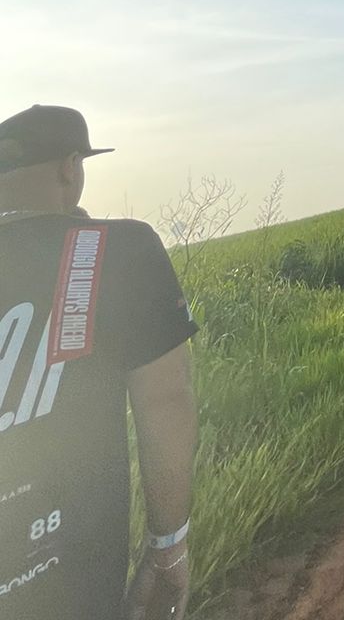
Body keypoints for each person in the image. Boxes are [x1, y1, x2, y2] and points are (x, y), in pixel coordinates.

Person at [0, 105, 198, 620]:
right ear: (70, 167)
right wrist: (169, 548)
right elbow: (166, 401)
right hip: (73, 584)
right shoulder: (120, 248)